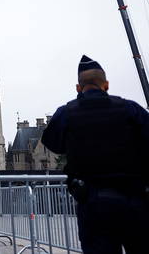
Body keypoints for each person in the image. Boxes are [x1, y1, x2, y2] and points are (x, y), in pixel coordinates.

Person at [42, 55, 149, 254]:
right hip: (134, 202)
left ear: (78, 88)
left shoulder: (67, 113)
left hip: (94, 202)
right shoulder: (131, 109)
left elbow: (53, 144)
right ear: (106, 85)